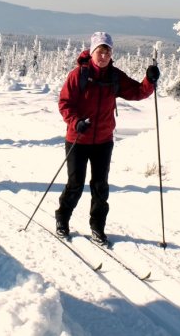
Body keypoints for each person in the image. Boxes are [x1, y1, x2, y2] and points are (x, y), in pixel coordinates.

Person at [55, 31, 160, 245]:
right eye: (99, 52)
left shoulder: (115, 76)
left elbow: (138, 92)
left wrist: (149, 80)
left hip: (103, 140)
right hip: (79, 138)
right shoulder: (78, 75)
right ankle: (62, 220)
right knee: (75, 184)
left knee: (100, 186)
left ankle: (97, 227)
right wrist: (76, 122)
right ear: (92, 52)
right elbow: (64, 104)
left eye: (107, 52)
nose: (103, 56)